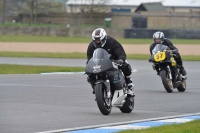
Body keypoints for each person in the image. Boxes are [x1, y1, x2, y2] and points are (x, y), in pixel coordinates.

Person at [86, 28, 134, 96]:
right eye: (96, 40)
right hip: (100, 63)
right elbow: (90, 58)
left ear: (104, 38)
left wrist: (121, 59)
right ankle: (96, 89)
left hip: (114, 60)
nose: (98, 41)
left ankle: (128, 82)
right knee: (90, 74)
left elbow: (120, 51)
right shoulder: (91, 46)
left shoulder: (112, 42)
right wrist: (89, 65)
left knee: (125, 64)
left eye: (99, 39)